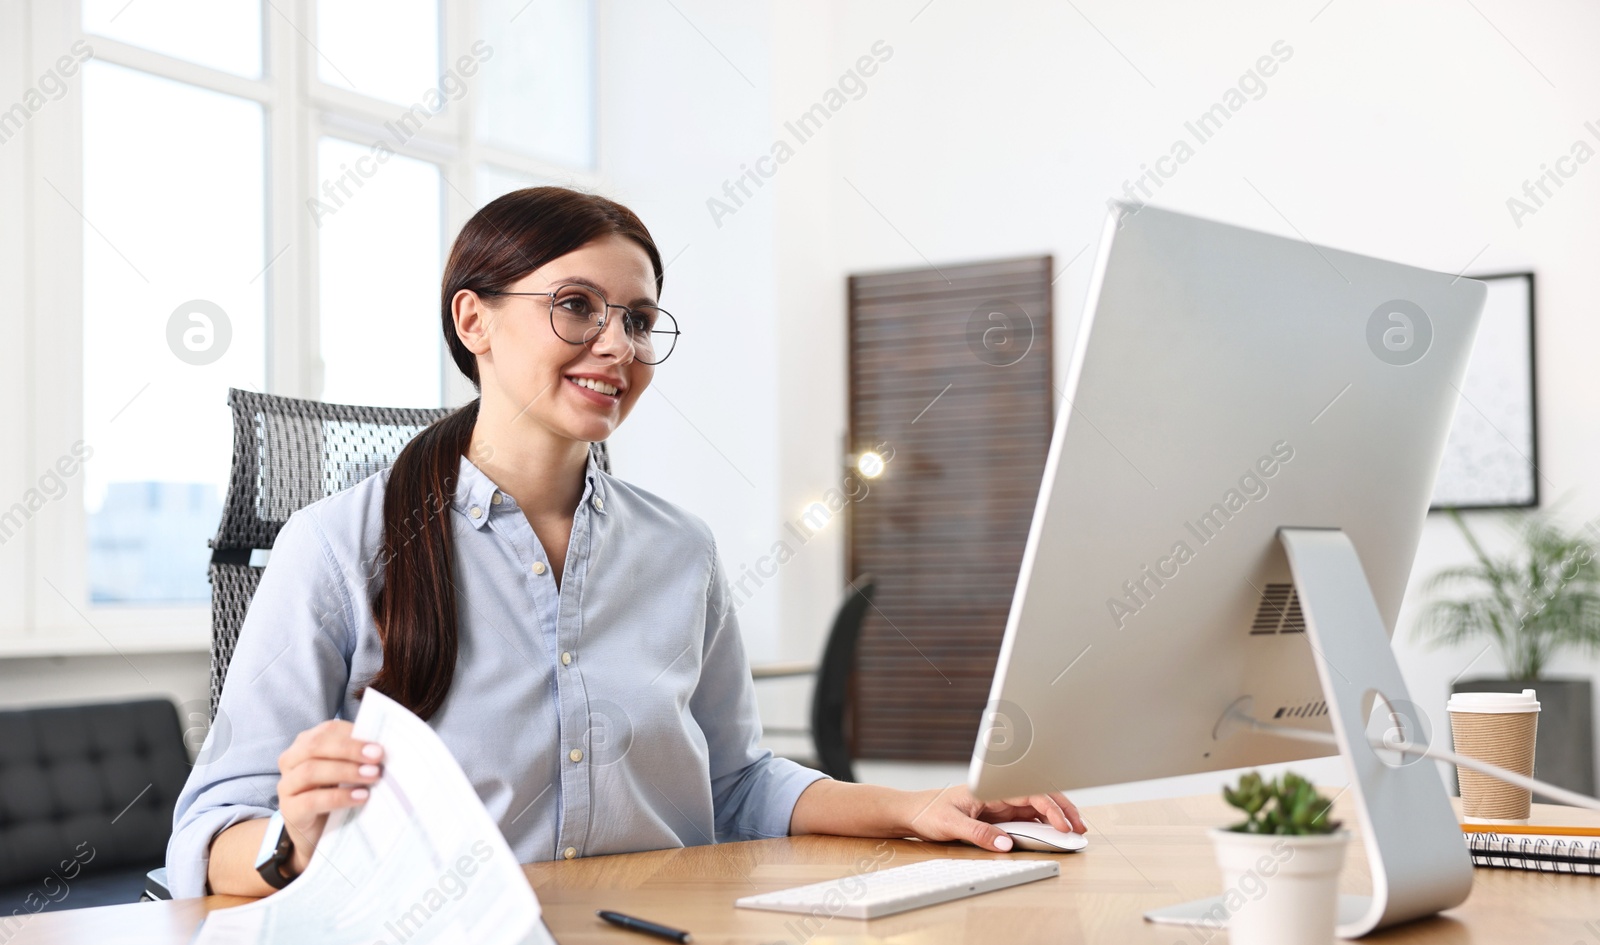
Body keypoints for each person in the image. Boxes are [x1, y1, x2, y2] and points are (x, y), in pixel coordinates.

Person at [167, 187, 1085, 898]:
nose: (618, 345)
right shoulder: (334, 547)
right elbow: (208, 837)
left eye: (639, 320)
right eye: (577, 306)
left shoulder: (680, 551)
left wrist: (912, 809)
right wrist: (297, 840)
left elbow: (734, 785)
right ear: (472, 320)